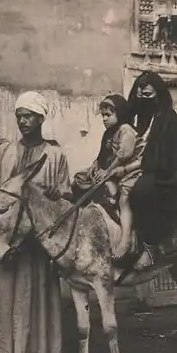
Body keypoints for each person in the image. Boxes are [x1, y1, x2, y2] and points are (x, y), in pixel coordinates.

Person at [0, 91, 72, 353]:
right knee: (6, 300)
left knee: (40, 302)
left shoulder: (56, 156)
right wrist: (2, 228)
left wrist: (41, 229)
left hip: (38, 244)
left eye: (29, 116)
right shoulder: (4, 152)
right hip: (8, 242)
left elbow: (63, 197)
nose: (23, 121)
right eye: (19, 116)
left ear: (41, 118)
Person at [73, 94, 142, 260]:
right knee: (80, 179)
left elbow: (122, 156)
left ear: (120, 113)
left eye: (108, 115)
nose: (104, 118)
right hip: (112, 170)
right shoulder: (108, 133)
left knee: (124, 196)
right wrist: (94, 166)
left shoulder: (126, 130)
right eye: (103, 115)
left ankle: (125, 238)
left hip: (131, 169)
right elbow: (102, 155)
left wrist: (106, 172)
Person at [127, 71, 177, 250]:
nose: (145, 99)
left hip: (160, 173)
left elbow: (167, 157)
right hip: (139, 166)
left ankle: (148, 245)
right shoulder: (143, 118)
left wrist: (140, 167)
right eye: (142, 95)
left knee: (139, 191)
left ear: (159, 93)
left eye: (149, 95)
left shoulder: (168, 118)